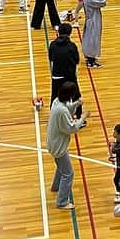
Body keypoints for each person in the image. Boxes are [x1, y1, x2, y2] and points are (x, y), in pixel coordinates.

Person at [48, 80, 86, 210]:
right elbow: (71, 128)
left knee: (61, 167)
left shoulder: (56, 102)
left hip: (54, 142)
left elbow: (67, 109)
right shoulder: (62, 111)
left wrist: (76, 104)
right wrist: (82, 118)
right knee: (68, 173)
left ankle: (56, 186)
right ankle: (62, 201)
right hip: (59, 145)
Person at [48, 23, 80, 102]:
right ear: (70, 33)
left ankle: (53, 113)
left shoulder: (52, 45)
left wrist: (54, 74)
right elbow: (76, 61)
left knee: (55, 96)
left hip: (57, 75)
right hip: (70, 76)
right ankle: (78, 113)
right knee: (76, 96)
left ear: (58, 32)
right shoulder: (72, 46)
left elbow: (51, 59)